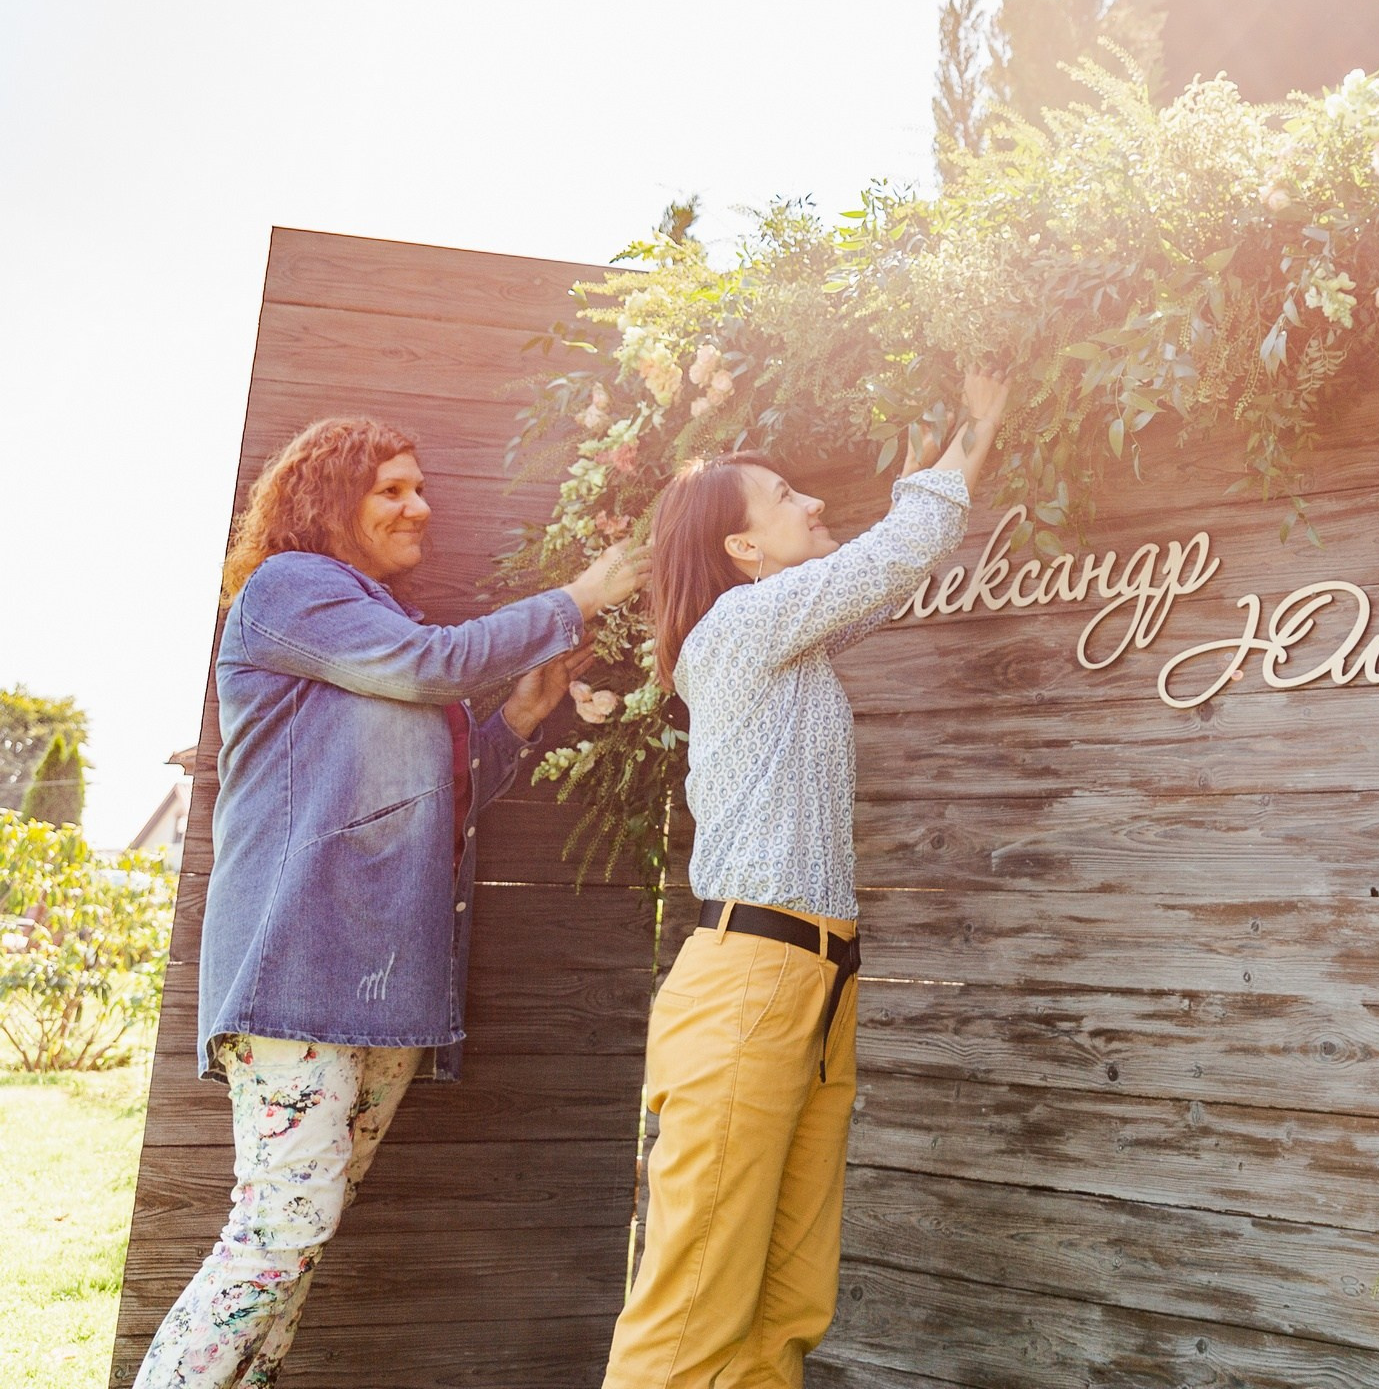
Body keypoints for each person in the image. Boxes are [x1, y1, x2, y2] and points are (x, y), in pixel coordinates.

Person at [135, 415, 649, 1389]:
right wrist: (577, 599)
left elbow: (442, 801)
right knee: (277, 1233)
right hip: (297, 969)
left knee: (299, 1236)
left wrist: (522, 717)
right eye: (392, 490)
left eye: (421, 487)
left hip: (380, 990)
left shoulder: (379, 630)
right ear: (328, 503)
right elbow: (434, 666)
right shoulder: (291, 590)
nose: (421, 506)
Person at [604, 372, 1009, 1389]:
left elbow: (890, 571)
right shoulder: (738, 631)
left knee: (783, 1310)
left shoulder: (787, 641)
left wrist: (941, 466)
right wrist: (977, 426)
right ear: (742, 550)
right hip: (749, 978)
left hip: (815, 979)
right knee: (693, 1307)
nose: (812, 502)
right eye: (786, 498)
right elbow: (897, 551)